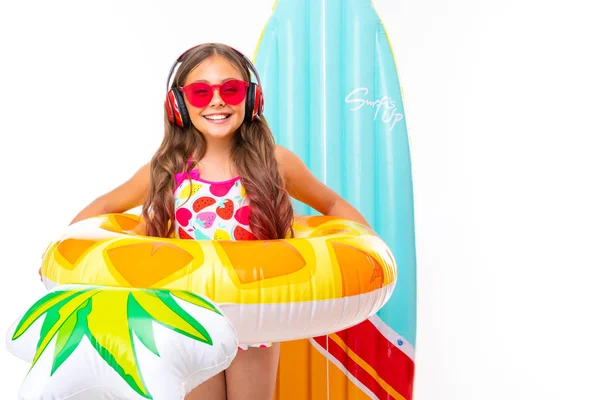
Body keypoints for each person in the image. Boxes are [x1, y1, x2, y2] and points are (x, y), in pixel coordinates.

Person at [56, 43, 369, 400]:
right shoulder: (168, 169)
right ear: (180, 104)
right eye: (201, 92)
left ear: (251, 99)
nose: (216, 101)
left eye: (230, 90)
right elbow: (105, 206)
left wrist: (367, 247)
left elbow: (330, 202)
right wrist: (69, 256)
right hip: (189, 318)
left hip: (255, 318)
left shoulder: (275, 163)